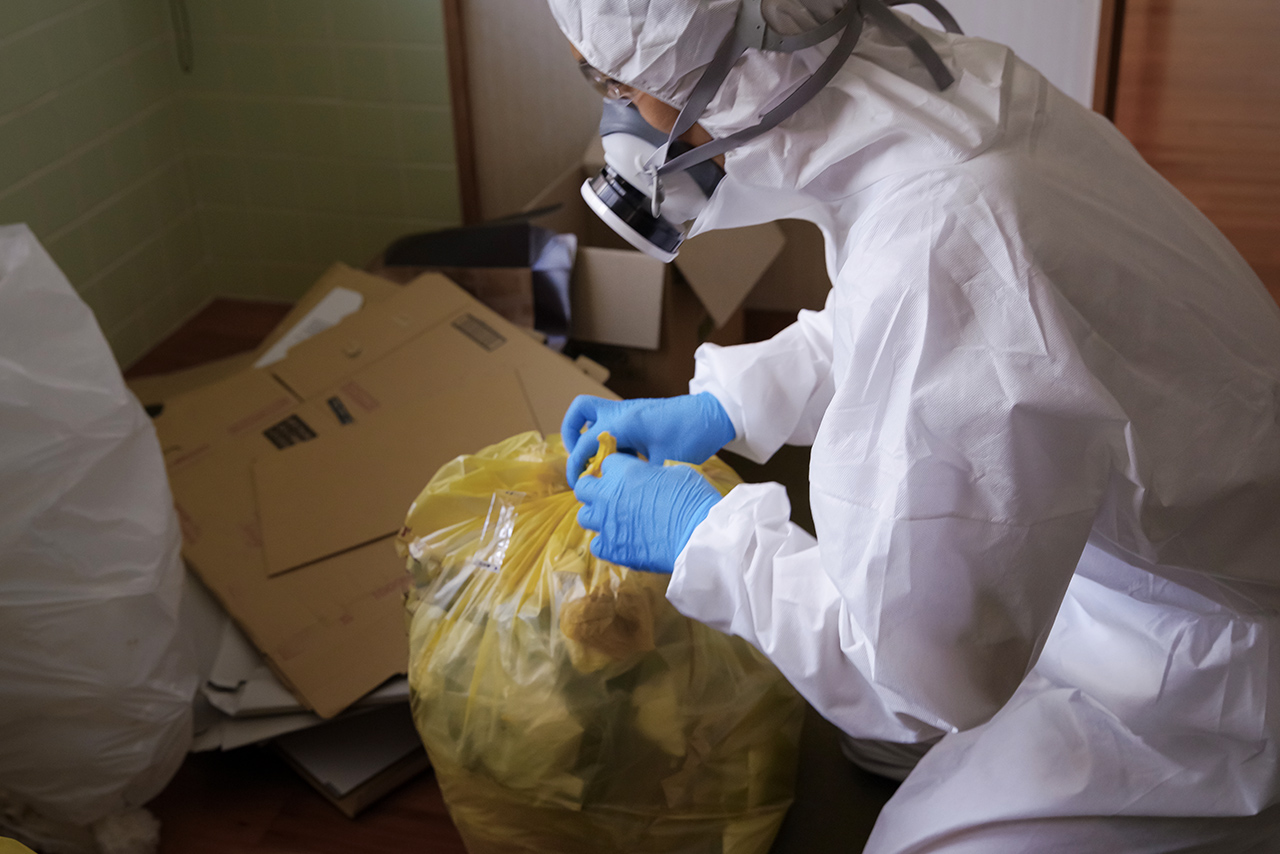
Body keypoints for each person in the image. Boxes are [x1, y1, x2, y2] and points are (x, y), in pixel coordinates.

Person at [552, 0, 1280, 851]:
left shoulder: (946, 226)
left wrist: (703, 538)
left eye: (620, 86)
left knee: (914, 837)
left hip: (1209, 665)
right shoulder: (943, 89)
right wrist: (734, 403)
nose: (621, 118)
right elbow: (925, 315)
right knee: (894, 734)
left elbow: (918, 673)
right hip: (1151, 538)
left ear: (726, 66)